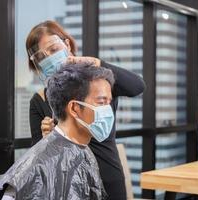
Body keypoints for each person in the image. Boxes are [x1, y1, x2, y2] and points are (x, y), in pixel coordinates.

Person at [27, 20, 145, 199]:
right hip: (68, 187)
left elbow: (137, 86)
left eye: (53, 49)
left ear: (67, 44)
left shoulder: (99, 83)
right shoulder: (39, 100)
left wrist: (97, 63)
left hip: (108, 180)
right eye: (42, 57)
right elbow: (37, 163)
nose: (50, 58)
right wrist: (48, 141)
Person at [0, 64, 114, 199]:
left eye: (109, 103)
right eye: (102, 102)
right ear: (74, 108)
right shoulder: (35, 168)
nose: (108, 111)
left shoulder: (84, 150)